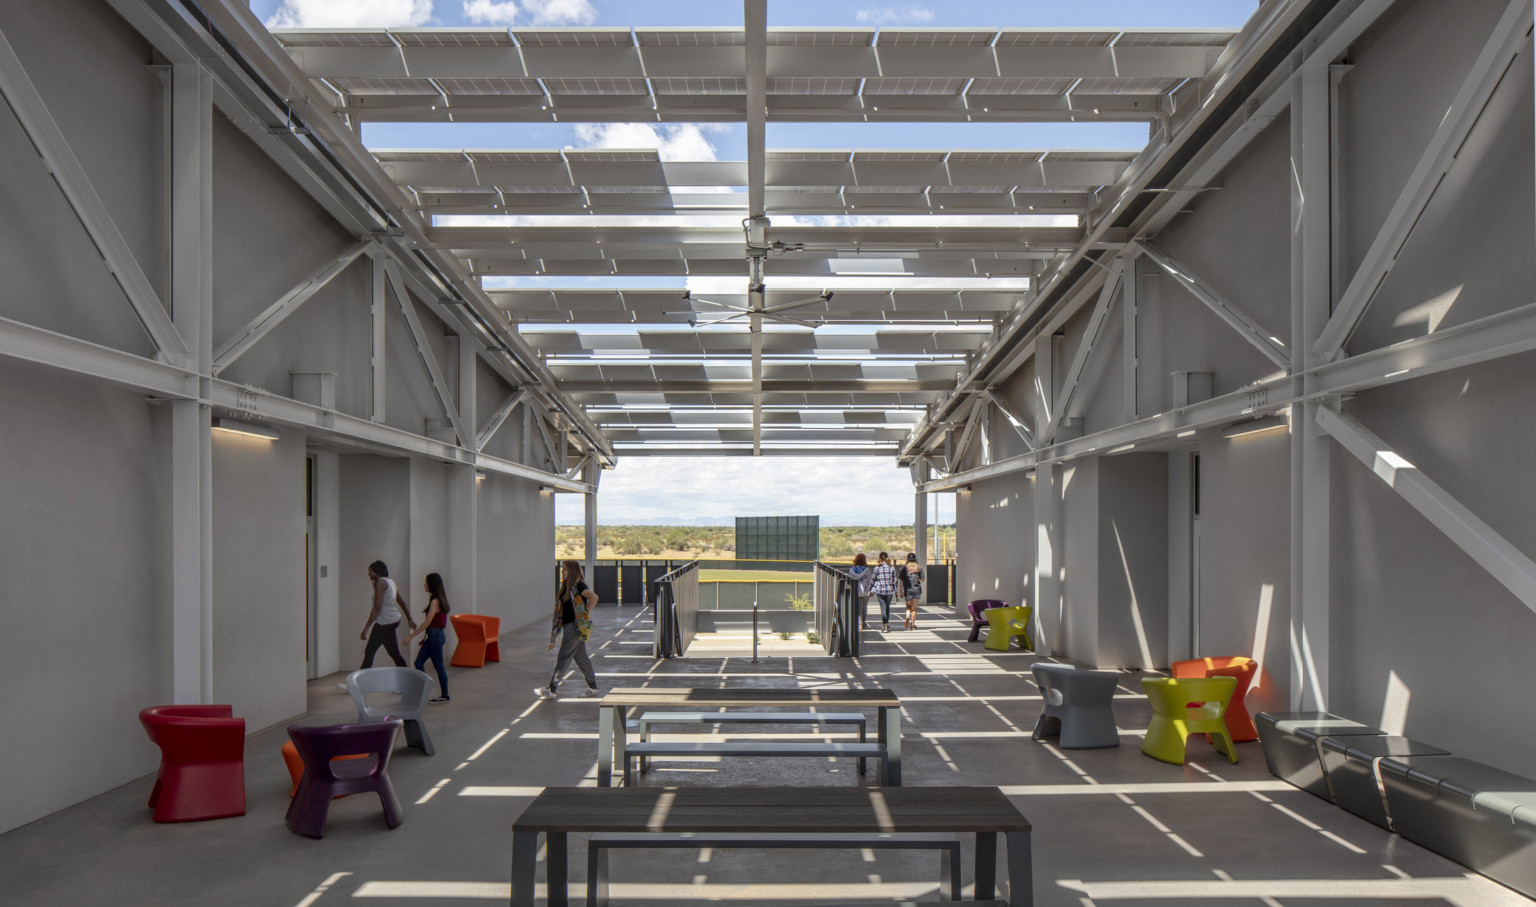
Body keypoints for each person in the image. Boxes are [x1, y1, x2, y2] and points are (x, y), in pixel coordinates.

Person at [536, 559, 600, 699]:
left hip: (574, 627)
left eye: (564, 570)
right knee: (582, 658)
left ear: (571, 571)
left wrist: (585, 613)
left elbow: (594, 597)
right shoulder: (567, 586)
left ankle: (552, 689)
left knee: (563, 657)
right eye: (562, 570)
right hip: (570, 627)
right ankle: (593, 687)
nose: (562, 572)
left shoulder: (579, 585)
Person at [403, 572, 451, 703]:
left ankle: (445, 695)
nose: (424, 585)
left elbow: (427, 623)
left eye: (426, 582)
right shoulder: (438, 600)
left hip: (435, 637)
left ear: (432, 585)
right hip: (435, 635)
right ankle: (425, 690)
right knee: (418, 663)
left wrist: (410, 636)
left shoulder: (435, 601)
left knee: (439, 666)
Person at [360, 560, 414, 668]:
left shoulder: (381, 582)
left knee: (394, 654)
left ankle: (408, 678)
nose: (369, 574)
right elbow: (401, 602)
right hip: (386, 622)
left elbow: (377, 607)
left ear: (377, 572)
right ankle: (359, 682)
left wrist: (366, 628)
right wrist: (409, 619)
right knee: (370, 651)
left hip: (386, 623)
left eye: (370, 571)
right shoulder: (390, 582)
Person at [869, 551, 899, 632]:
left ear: (879, 558)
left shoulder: (877, 568)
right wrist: (896, 591)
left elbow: (873, 580)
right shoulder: (891, 568)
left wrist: (870, 589)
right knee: (887, 608)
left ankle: (885, 626)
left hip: (880, 590)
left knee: (883, 608)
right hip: (889, 591)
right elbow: (894, 581)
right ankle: (886, 624)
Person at [900, 553, 926, 630]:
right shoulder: (919, 568)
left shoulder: (904, 568)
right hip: (917, 590)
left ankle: (907, 616)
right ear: (915, 559)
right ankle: (912, 625)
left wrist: (901, 591)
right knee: (914, 609)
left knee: (908, 606)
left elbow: (901, 580)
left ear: (907, 559)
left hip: (908, 590)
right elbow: (922, 579)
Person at [849, 553, 872, 630]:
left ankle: (859, 623)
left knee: (859, 608)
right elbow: (870, 581)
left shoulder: (852, 570)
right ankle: (864, 622)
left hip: (856, 591)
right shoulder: (867, 569)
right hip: (865, 591)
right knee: (864, 607)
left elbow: (850, 580)